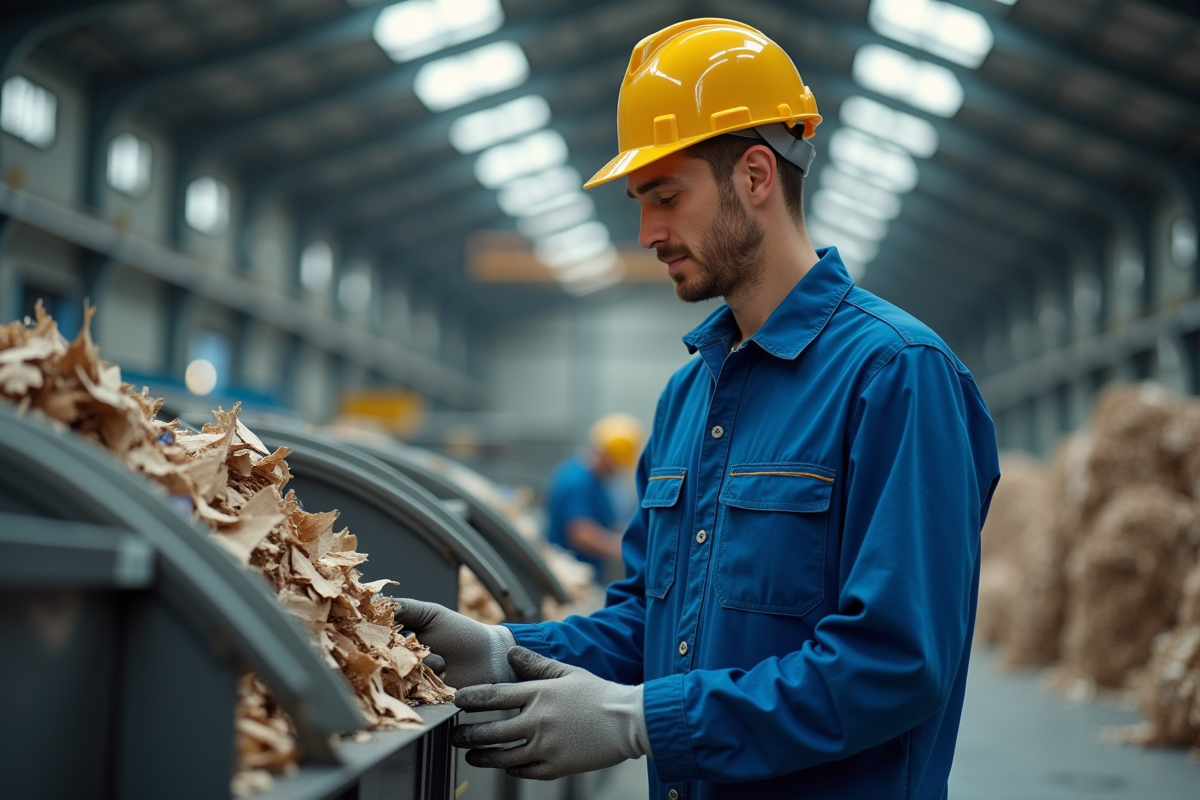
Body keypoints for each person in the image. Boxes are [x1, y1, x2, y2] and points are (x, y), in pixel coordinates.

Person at [396, 17, 1000, 800]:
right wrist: (505, 648)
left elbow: (894, 664)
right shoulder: (690, 395)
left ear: (755, 176)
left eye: (667, 196)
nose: (646, 233)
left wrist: (643, 720)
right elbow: (655, 628)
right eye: (640, 202)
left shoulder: (896, 376)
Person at [544, 413, 645, 579]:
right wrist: (626, 547)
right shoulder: (578, 482)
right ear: (603, 455)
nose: (615, 473)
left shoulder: (596, 482)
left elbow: (608, 523)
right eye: (614, 466)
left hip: (588, 572)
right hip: (570, 575)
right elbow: (581, 535)